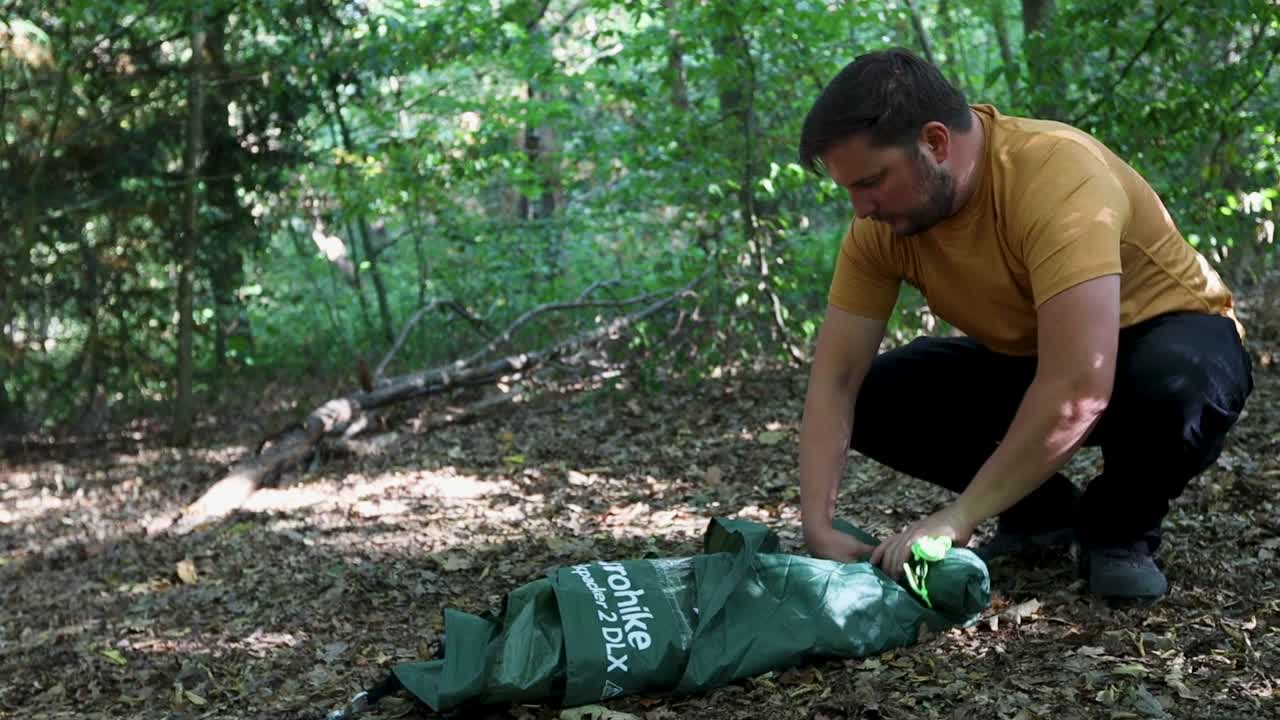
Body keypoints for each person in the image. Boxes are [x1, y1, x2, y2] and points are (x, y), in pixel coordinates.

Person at [795, 48, 1254, 602]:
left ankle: (1119, 530)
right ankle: (1042, 513)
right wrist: (818, 525)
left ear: (935, 142)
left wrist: (960, 514)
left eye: (871, 181)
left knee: (1177, 384)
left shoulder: (1055, 175)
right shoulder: (882, 228)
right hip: (1038, 356)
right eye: (848, 189)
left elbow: (1078, 386)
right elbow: (836, 381)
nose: (861, 208)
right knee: (876, 394)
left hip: (1161, 336)